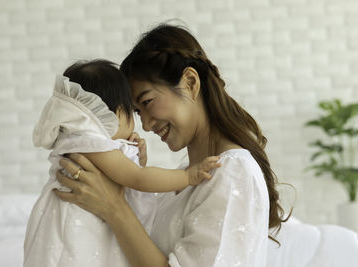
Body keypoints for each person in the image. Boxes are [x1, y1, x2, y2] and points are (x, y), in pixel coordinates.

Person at [54, 24, 287, 267]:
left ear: (190, 82)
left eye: (147, 101)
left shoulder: (232, 173)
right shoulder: (188, 175)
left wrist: (114, 209)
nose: (144, 124)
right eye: (136, 111)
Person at [23, 59, 220, 267]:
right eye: (133, 112)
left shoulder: (80, 142)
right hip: (74, 228)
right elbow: (137, 179)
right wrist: (187, 177)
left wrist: (137, 161)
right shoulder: (90, 142)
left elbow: (124, 181)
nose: (142, 124)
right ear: (116, 113)